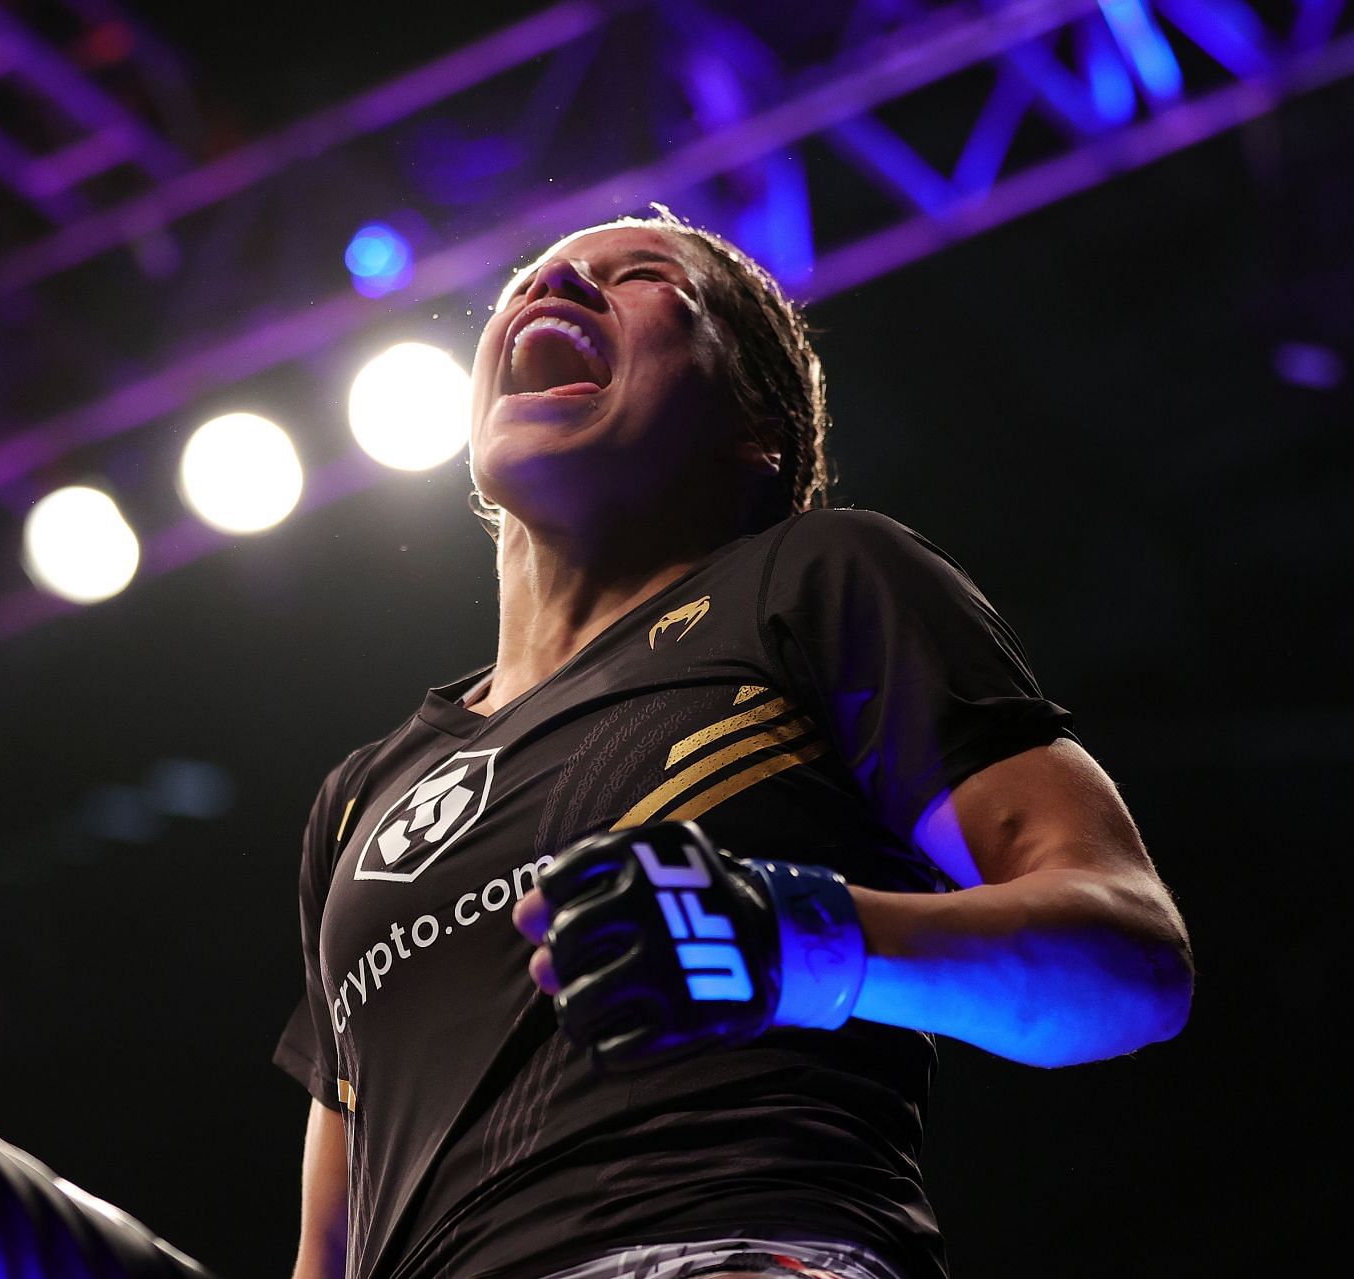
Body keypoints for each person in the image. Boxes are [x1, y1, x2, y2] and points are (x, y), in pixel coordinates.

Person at [271, 209, 1194, 1279]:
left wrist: (780, 939)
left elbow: (1132, 962)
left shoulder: (812, 581)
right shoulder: (363, 796)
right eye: (534, 277)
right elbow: (328, 1246)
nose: (559, 280)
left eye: (646, 275)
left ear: (757, 427)